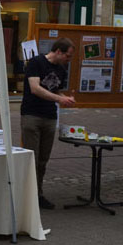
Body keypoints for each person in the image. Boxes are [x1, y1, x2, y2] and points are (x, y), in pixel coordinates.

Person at [21, 38, 76, 209]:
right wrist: (60, 99)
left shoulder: (61, 69)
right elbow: (35, 88)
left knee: (43, 160)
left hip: (50, 117)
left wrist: (65, 98)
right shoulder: (36, 62)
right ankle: (26, 196)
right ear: (58, 51)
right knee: (31, 158)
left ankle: (38, 194)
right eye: (68, 56)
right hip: (32, 115)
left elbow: (54, 89)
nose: (69, 60)